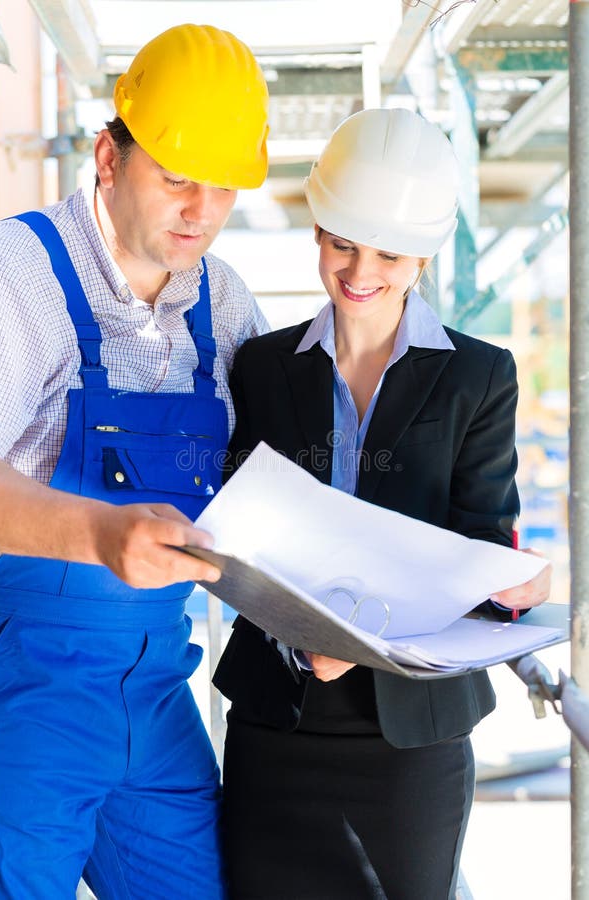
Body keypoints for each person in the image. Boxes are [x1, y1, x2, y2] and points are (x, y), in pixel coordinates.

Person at [213, 107, 551, 900]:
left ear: (426, 254)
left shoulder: (479, 377)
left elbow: (475, 539)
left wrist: (508, 587)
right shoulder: (261, 367)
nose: (360, 271)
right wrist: (300, 629)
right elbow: (241, 532)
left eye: (390, 253)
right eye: (341, 244)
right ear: (320, 229)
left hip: (412, 735)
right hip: (278, 724)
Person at [0, 23, 269, 900]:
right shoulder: (17, 272)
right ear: (109, 157)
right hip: (21, 692)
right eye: (176, 178)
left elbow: (272, 485)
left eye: (222, 186)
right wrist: (101, 534)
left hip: (157, 691)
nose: (200, 211)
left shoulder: (223, 304)